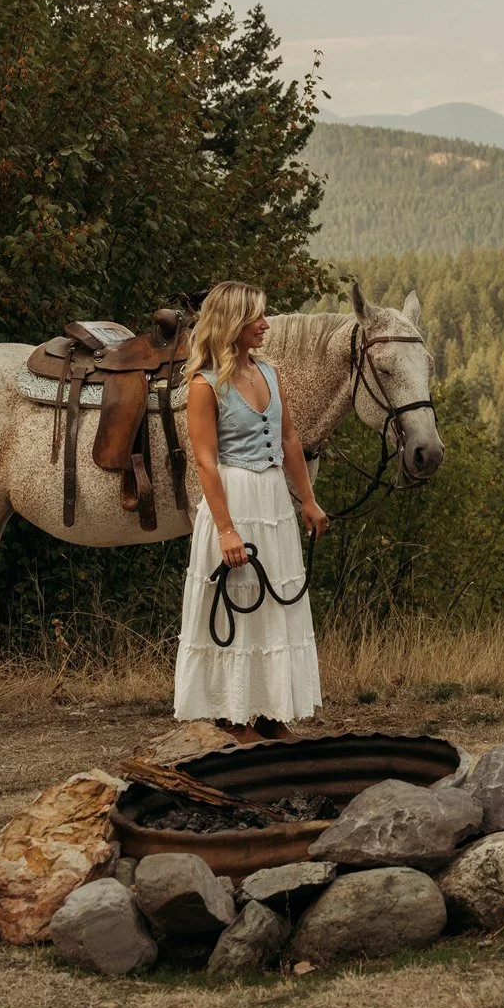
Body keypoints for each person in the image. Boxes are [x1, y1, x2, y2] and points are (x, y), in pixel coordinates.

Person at [175, 281, 332, 739]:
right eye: (257, 318)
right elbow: (205, 460)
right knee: (238, 601)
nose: (265, 325)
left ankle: (268, 713)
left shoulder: (270, 372)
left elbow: (289, 441)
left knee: (272, 607)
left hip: (272, 501)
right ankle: (232, 715)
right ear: (232, 323)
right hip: (235, 499)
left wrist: (308, 500)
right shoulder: (205, 385)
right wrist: (225, 530)